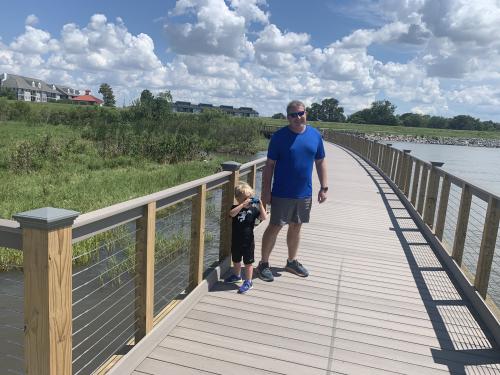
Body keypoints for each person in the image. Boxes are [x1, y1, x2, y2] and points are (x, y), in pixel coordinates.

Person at [257, 100, 328, 282]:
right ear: (287, 117)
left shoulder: (315, 135)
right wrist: (266, 192)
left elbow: (320, 161)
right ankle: (263, 263)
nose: (297, 117)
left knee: (296, 227)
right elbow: (269, 166)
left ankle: (291, 261)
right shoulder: (279, 137)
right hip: (282, 192)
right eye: (293, 115)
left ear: (306, 113)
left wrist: (324, 186)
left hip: (304, 193)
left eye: (300, 113)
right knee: (275, 226)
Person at [224, 182, 267, 293]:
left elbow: (264, 217)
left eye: (250, 197)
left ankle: (248, 281)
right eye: (246, 198)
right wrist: (242, 205)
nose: (249, 200)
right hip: (236, 240)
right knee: (236, 260)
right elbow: (232, 214)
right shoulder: (235, 208)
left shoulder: (253, 209)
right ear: (239, 199)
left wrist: (261, 205)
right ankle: (237, 276)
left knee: (248, 262)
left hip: (248, 242)